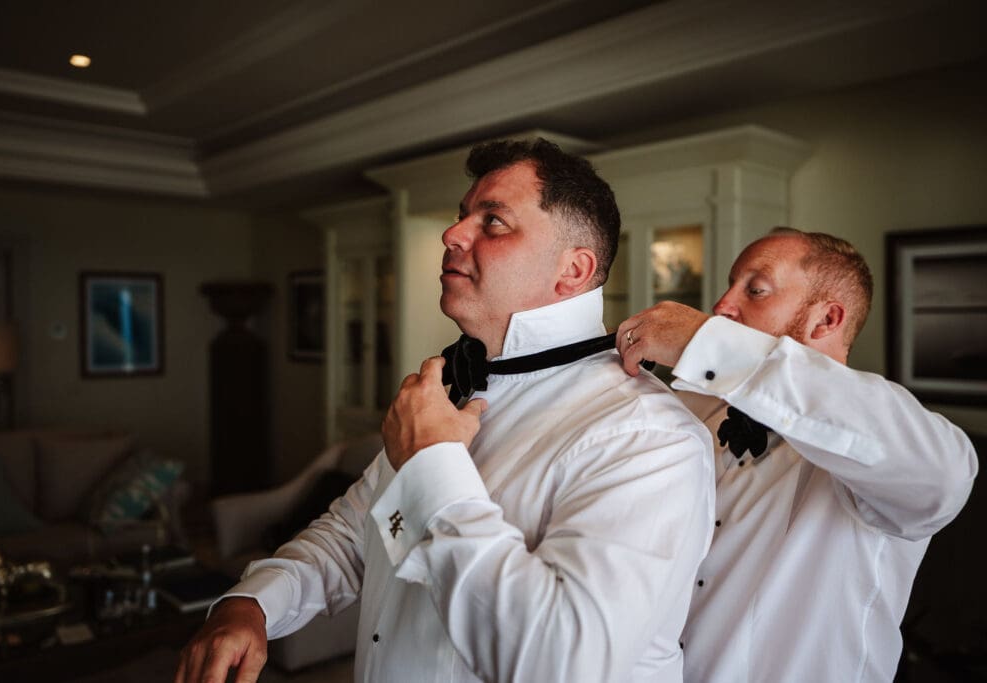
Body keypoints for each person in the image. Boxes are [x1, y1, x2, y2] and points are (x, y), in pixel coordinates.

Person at [174, 138, 715, 683]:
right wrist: (251, 603)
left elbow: (559, 659)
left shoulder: (647, 434)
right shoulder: (445, 393)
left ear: (573, 270)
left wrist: (432, 462)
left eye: (493, 221)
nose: (452, 234)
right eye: (462, 217)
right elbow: (356, 532)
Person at [616, 227, 978, 682]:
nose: (722, 305)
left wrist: (706, 344)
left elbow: (944, 478)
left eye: (756, 289)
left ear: (825, 321)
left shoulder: (879, 445)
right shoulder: (686, 410)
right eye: (730, 284)